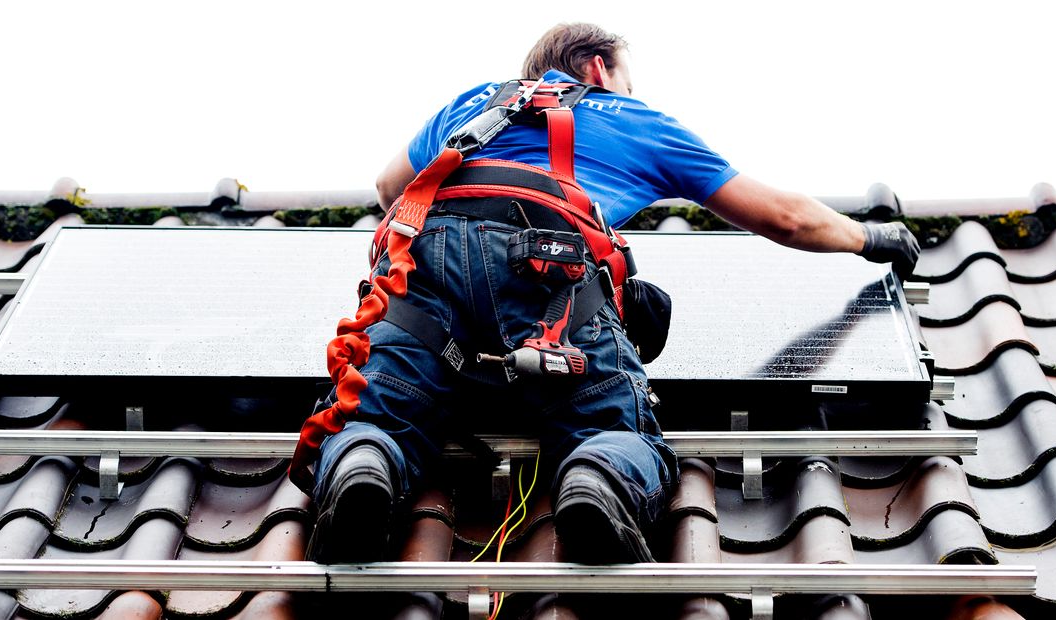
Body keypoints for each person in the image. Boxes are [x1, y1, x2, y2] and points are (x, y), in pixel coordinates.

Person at [291, 22, 920, 565]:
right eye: (626, 77)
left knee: (380, 417)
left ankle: (360, 471)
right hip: (548, 267)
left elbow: (386, 187)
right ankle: (597, 482)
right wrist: (871, 237)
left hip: (421, 268)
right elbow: (787, 217)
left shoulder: (472, 104)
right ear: (598, 67)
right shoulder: (635, 120)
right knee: (612, 424)